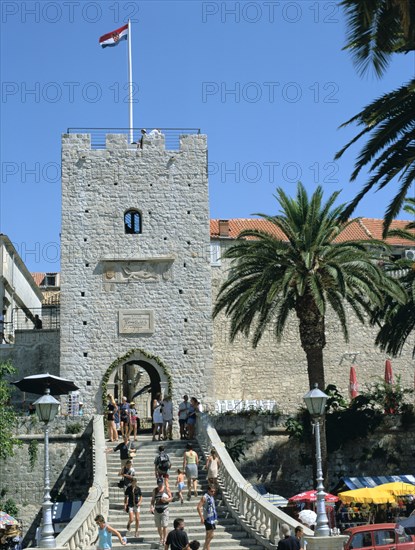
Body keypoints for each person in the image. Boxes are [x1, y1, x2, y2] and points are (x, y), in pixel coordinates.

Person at [150, 478, 172, 547]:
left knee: (165, 525)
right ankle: (161, 537)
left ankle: (164, 539)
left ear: (162, 483)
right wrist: (151, 507)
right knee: (158, 526)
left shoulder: (166, 489)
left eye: (161, 483)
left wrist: (166, 500)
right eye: (158, 484)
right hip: (157, 510)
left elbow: (171, 498)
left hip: (165, 509)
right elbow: (153, 500)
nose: (160, 485)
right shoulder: (155, 490)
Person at [197, 485, 217, 550]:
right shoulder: (204, 497)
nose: (213, 493)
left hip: (212, 518)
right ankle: (204, 548)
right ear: (208, 490)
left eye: (214, 491)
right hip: (208, 518)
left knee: (208, 535)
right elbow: (198, 507)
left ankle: (206, 549)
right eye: (212, 491)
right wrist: (201, 517)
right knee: (211, 535)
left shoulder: (211, 496)